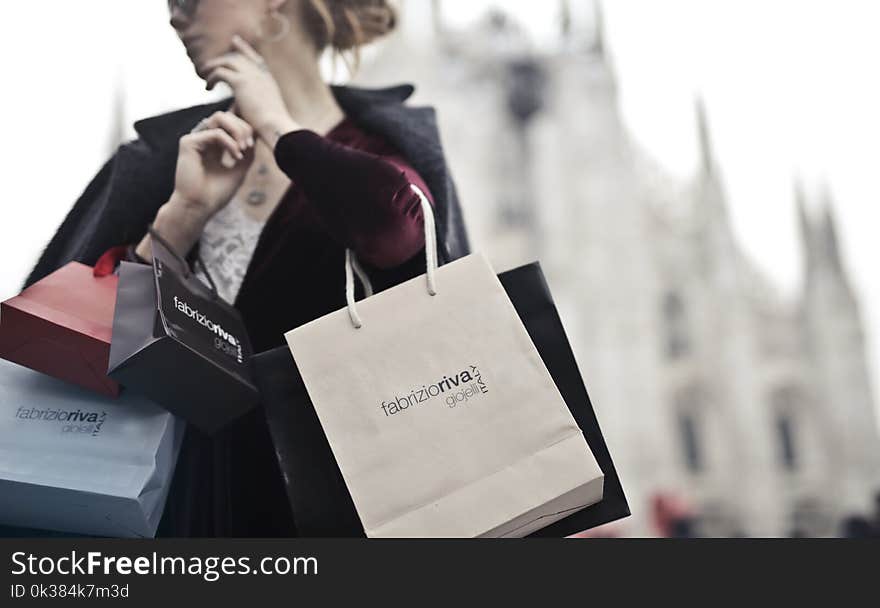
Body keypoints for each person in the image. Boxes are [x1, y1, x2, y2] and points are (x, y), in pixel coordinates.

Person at [24, 0, 469, 536]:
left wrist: (281, 130)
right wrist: (182, 217)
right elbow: (74, 346)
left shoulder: (381, 155)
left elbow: (398, 231)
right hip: (164, 511)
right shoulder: (166, 160)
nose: (174, 18)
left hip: (319, 516)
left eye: (188, 2)